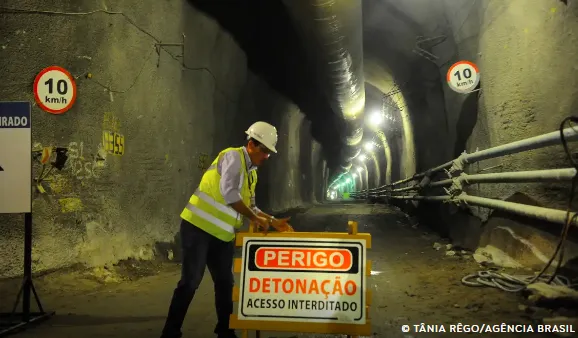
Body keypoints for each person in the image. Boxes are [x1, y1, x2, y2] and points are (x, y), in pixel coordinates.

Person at [160, 121, 294, 338]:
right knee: (191, 281)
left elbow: (250, 206)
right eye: (265, 151)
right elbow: (229, 194)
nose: (267, 157)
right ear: (251, 144)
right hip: (198, 228)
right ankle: (170, 332)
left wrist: (272, 220)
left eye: (269, 153)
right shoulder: (233, 157)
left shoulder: (252, 173)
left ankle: (225, 330)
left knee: (225, 283)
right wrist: (255, 219)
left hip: (222, 235)